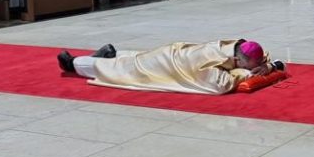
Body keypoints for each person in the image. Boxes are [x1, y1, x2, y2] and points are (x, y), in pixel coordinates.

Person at [57, 39, 284, 95]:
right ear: (241, 61)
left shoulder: (232, 46)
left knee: (133, 58)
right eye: (255, 65)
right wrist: (244, 74)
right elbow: (220, 85)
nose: (260, 64)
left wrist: (271, 66)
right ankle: (73, 63)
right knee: (122, 70)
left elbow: (261, 56)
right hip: (169, 65)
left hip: (170, 53)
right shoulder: (209, 64)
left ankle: (110, 52)